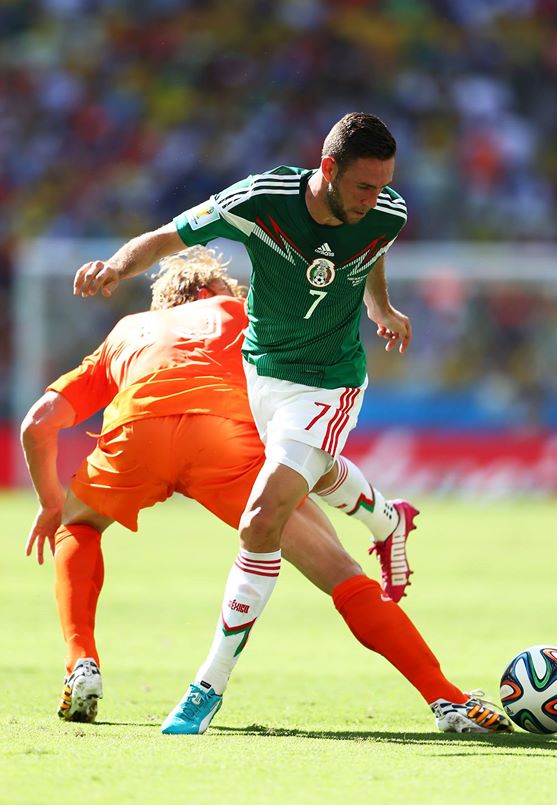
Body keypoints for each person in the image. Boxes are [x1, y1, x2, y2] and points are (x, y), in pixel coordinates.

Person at [71, 113, 509, 733]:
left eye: (384, 185)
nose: (375, 199)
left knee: (262, 517)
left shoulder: (387, 212)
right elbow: (168, 237)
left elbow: (372, 249)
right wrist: (117, 267)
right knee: (314, 473)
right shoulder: (260, 200)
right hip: (264, 375)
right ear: (327, 169)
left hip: (330, 383)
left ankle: (207, 686)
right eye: (363, 186)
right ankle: (387, 518)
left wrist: (381, 307)